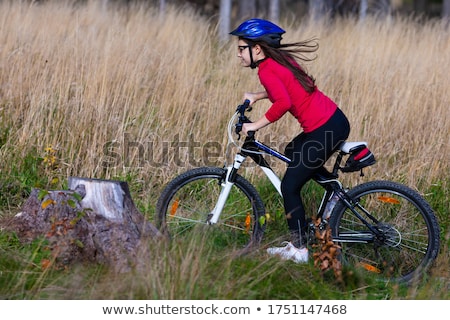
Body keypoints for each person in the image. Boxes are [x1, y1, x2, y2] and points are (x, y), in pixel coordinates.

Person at [229, 18, 350, 263]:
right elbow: (288, 87)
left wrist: (254, 125)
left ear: (258, 49)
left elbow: (283, 103)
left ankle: (299, 250)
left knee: (289, 187)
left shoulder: (267, 69)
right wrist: (258, 95)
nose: (239, 54)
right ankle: (334, 193)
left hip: (325, 128)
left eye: (242, 49)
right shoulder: (278, 61)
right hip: (333, 122)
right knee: (293, 149)